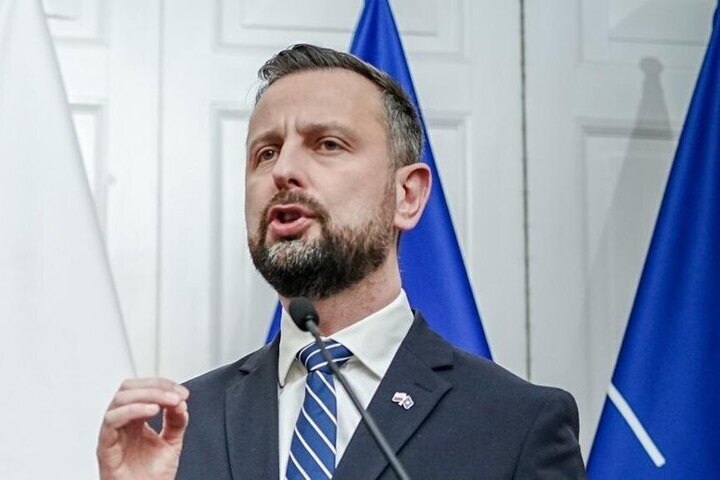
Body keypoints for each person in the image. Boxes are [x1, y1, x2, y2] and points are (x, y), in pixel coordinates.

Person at [97, 44, 585, 479]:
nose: (284, 170)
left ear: (407, 195)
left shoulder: (515, 425)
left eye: (327, 144)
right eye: (265, 153)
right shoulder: (177, 428)